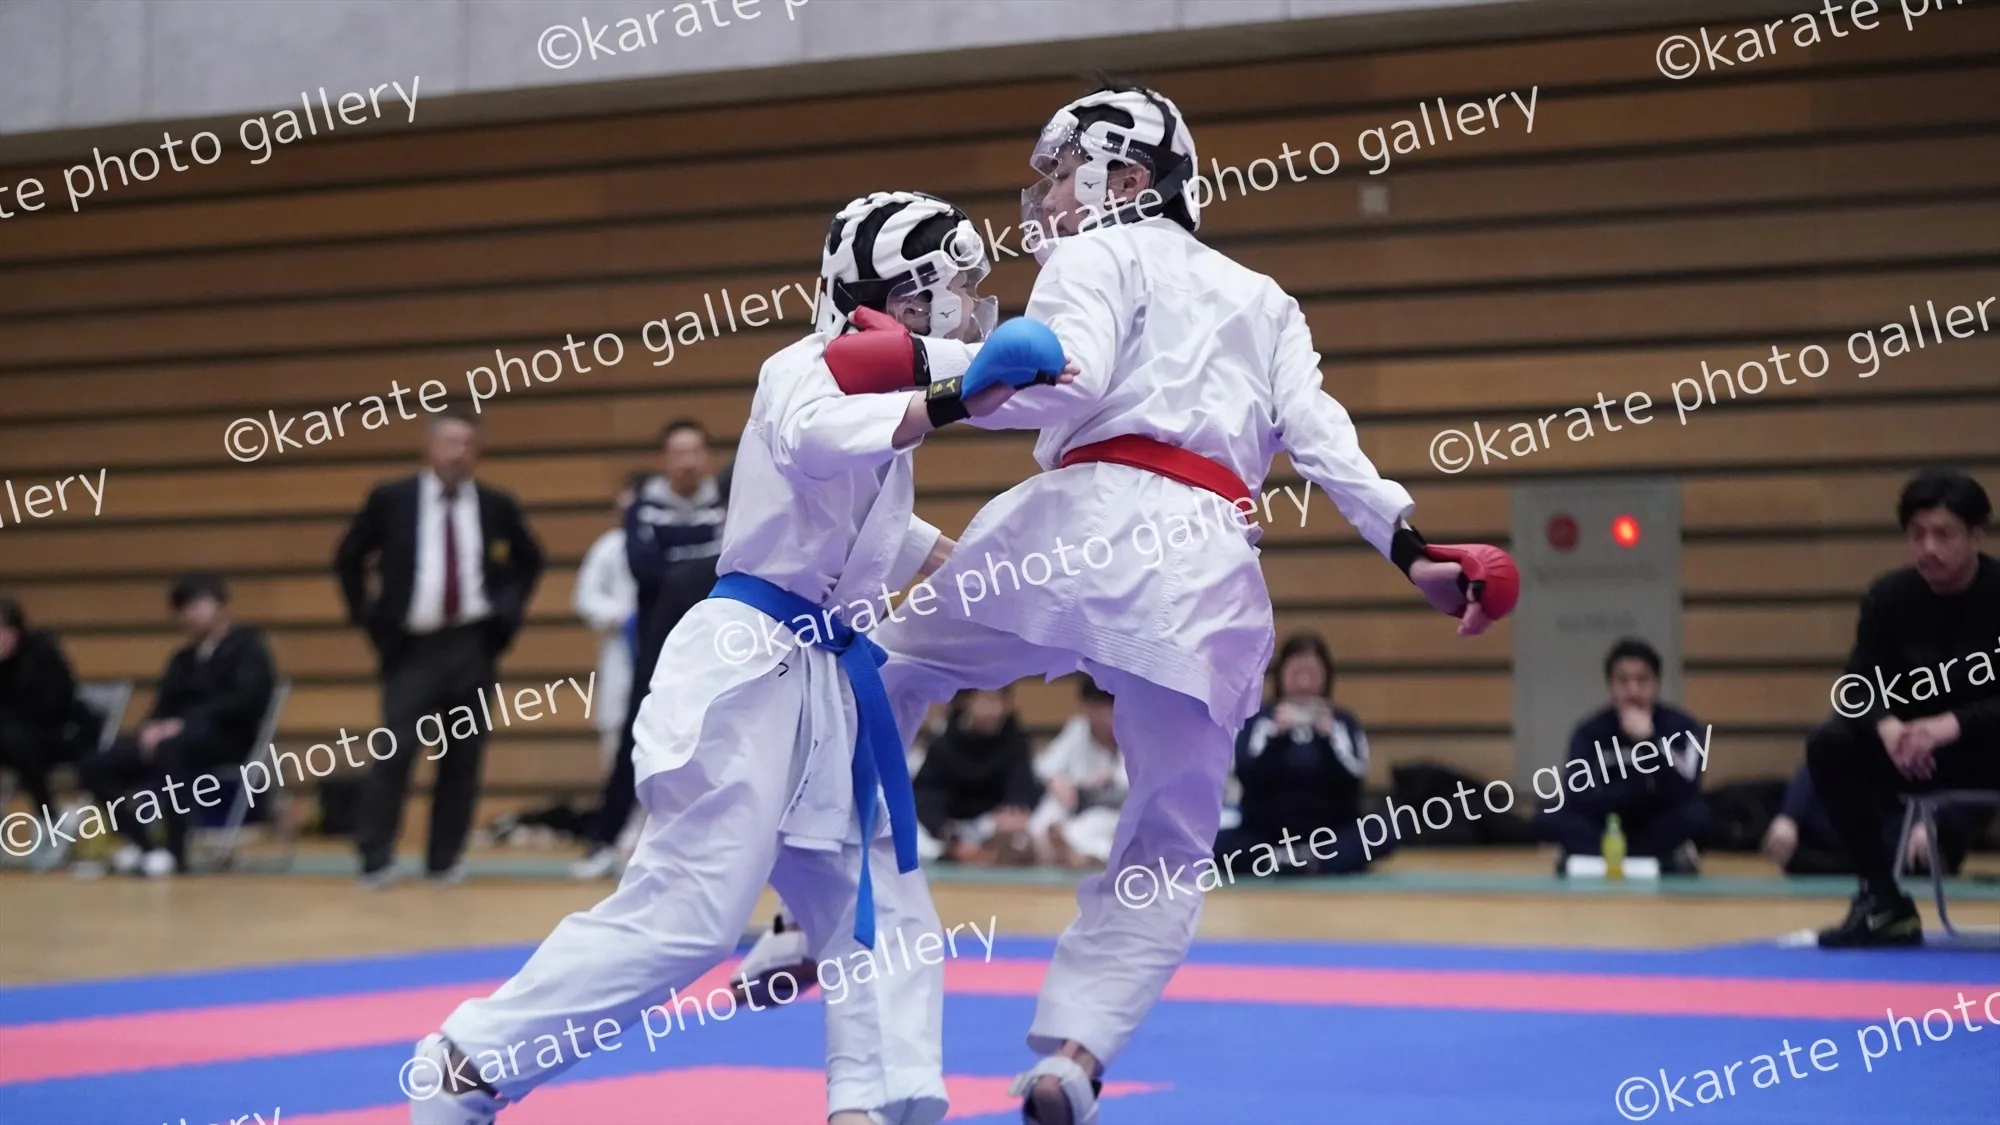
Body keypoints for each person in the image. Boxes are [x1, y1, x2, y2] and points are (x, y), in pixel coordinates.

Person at [862, 82, 1514, 1125]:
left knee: (882, 674)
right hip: (1203, 572)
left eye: (1059, 174)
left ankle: (823, 901)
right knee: (1169, 838)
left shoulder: (1094, 256)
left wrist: (922, 372)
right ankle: (1075, 1057)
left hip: (1072, 530)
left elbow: (1065, 382)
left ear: (1125, 176)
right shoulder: (1267, 299)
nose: (1042, 200)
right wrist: (1409, 547)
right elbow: (1322, 436)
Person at [404, 190, 1074, 1125]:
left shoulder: (881, 397)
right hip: (749, 665)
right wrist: (955, 395)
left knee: (873, 903)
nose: (968, 304)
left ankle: (873, 1104)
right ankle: (468, 1061)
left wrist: (982, 569)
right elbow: (817, 439)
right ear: (902, 296)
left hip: (819, 682)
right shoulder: (799, 371)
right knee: (691, 915)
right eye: (952, 289)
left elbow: (871, 522)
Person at [334, 408, 545, 887]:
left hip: (472, 644)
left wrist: (506, 614)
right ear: (429, 447)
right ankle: (375, 856)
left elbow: (530, 559)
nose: (458, 453)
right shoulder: (392, 499)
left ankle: (444, 859)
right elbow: (348, 556)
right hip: (412, 647)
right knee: (396, 749)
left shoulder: (495, 504)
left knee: (463, 755)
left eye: (467, 445)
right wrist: (368, 618)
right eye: (449, 443)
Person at [1808, 467, 2000, 947]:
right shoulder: (1889, 597)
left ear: (1977, 536)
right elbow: (1856, 686)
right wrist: (1888, 727)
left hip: (1989, 747)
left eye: (1943, 534)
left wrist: (1951, 724)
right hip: (1916, 755)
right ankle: (1883, 899)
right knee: (1831, 743)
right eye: (1917, 534)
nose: (1928, 548)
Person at [572, 420, 728, 879]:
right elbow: (644, 567)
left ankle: (712, 847)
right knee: (633, 739)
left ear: (706, 456)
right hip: (655, 642)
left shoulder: (724, 505)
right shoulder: (643, 508)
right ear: (664, 459)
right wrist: (692, 568)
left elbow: (725, 564)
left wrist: (680, 567)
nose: (687, 461)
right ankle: (605, 840)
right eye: (678, 452)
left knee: (717, 736)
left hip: (713, 641)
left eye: (695, 451)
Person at [77, 573, 275, 876]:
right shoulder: (182, 659)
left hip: (226, 739)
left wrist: (181, 725)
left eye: (198, 605)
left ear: (220, 604)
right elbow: (162, 705)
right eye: (184, 609)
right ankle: (144, 845)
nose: (191, 615)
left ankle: (176, 851)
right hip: (176, 738)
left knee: (172, 749)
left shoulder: (249, 649)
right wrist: (149, 730)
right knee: (95, 765)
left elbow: (243, 700)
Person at [1535, 637, 1710, 875]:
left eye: (1642, 680)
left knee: (1698, 816)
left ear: (1656, 683)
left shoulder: (1684, 728)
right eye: (1623, 681)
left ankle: (1593, 859)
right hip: (1606, 824)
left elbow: (1685, 791)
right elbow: (1576, 793)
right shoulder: (1588, 731)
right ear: (1611, 685)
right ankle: (1661, 861)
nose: (1633, 691)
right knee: (1548, 814)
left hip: (1656, 822)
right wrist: (1631, 796)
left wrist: (1648, 742)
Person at [1217, 633, 1378, 876]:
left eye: (1312, 674)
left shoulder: (1344, 722)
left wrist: (1329, 737)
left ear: (1326, 676)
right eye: (1296, 673)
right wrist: (1275, 737)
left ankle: (1313, 861)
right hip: (1267, 835)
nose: (1304, 682)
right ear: (1280, 675)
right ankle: (1281, 859)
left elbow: (1356, 775)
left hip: (1330, 834)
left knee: (1382, 829)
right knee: (1218, 840)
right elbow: (1245, 773)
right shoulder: (1257, 721)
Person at [1760, 762, 1964, 877]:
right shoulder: (1857, 714)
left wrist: (1928, 821)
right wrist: (1788, 817)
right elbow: (1814, 764)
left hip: (1904, 819)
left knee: (1924, 844)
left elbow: (1946, 780)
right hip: (1860, 816)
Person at [912, 687, 1042, 866]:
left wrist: (1014, 808)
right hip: (951, 828)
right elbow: (928, 793)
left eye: (1001, 701)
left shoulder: (1016, 743)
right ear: (967, 701)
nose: (995, 710)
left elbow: (1022, 785)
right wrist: (944, 829)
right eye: (988, 700)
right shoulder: (944, 745)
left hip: (993, 826)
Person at [0, 596, 99, 829]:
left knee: (15, 741)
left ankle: (48, 814)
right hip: (15, 741)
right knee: (12, 740)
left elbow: (54, 704)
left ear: (15, 630)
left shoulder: (41, 652)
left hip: (60, 734)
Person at [573, 472, 646, 771]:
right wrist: (623, 617)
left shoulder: (668, 546)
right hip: (620, 651)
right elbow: (585, 598)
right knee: (617, 738)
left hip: (665, 650)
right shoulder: (610, 547)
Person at [1030, 677, 1126, 868]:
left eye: (1104, 708)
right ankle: (1065, 851)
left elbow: (1131, 788)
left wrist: (1108, 782)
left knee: (1091, 827)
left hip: (1112, 808)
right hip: (1075, 802)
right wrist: (1055, 781)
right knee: (1042, 821)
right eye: (1092, 707)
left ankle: (1083, 855)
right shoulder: (1078, 728)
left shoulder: (1133, 735)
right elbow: (1044, 766)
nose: (1098, 716)